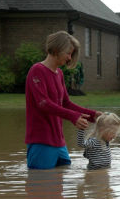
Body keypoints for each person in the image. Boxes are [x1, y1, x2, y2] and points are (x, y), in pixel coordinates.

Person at [25, 30, 99, 169]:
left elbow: (66, 103)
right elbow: (43, 103)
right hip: (41, 141)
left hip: (59, 142)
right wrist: (73, 117)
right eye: (68, 53)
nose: (70, 58)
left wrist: (93, 115)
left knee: (61, 181)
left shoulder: (59, 74)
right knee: (40, 184)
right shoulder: (37, 70)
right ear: (56, 49)